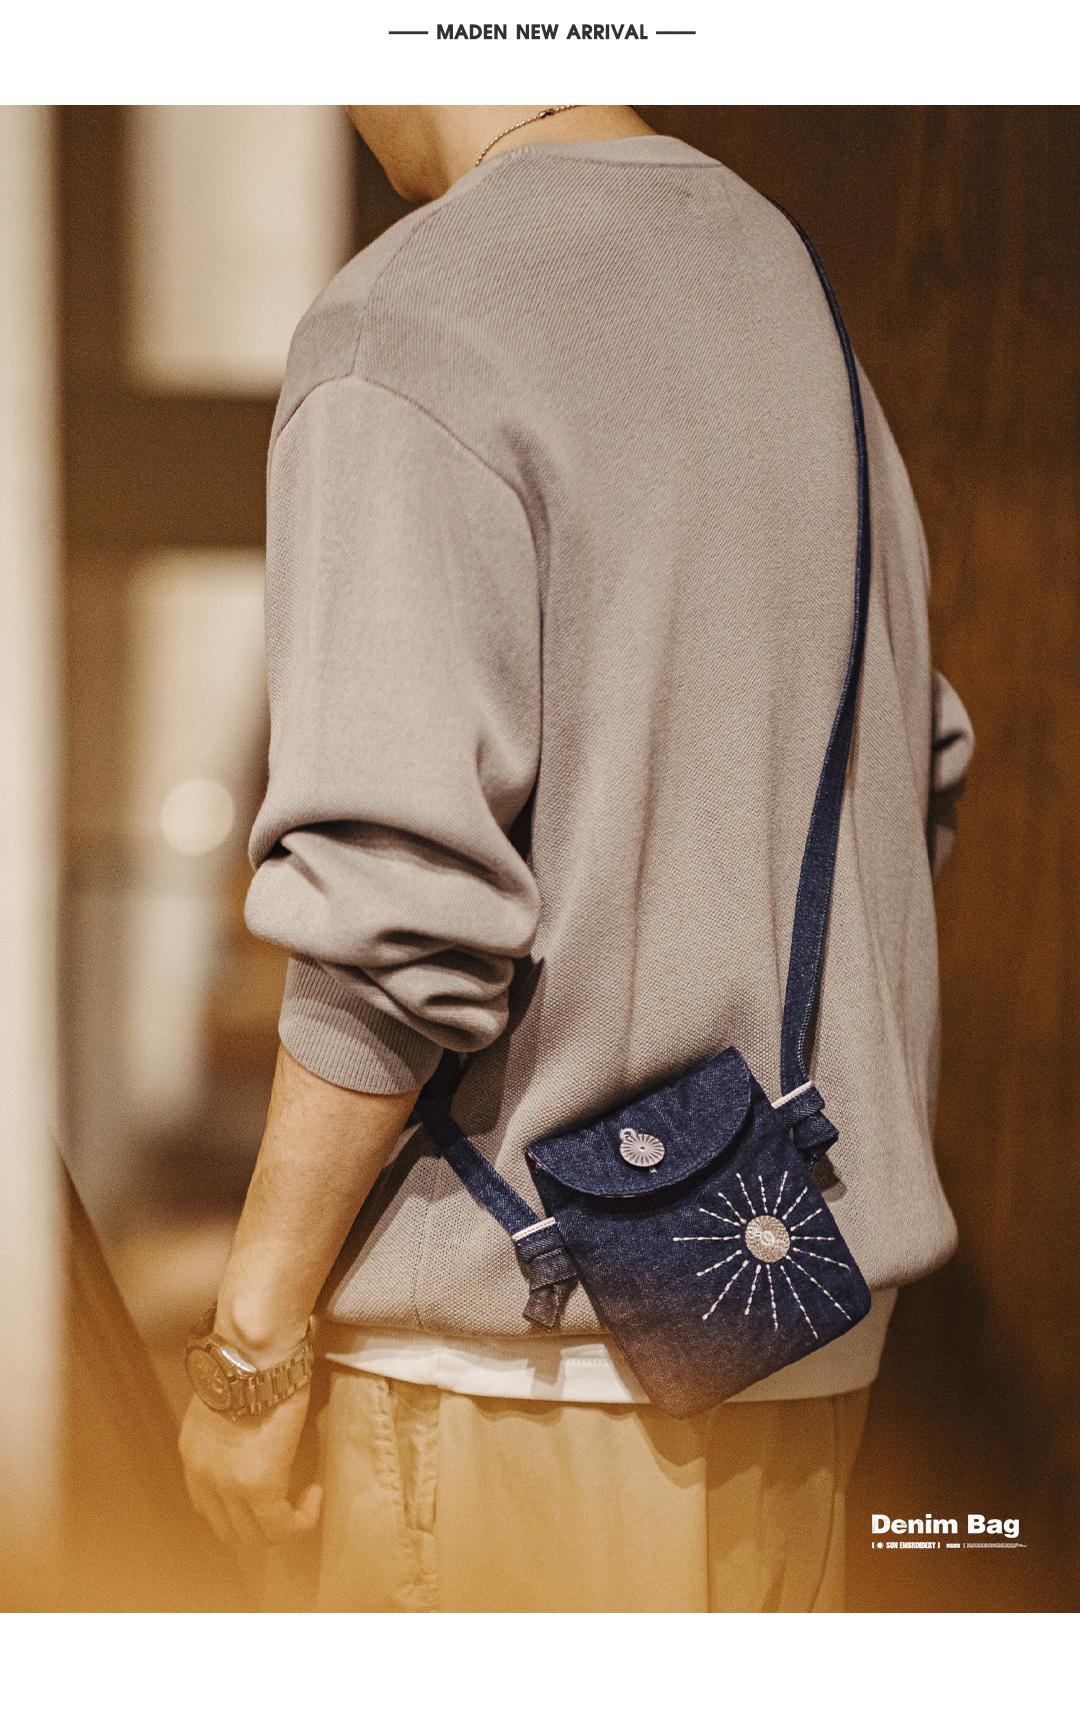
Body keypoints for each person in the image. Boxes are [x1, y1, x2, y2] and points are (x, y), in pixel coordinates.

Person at [179, 105, 974, 1612]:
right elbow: (922, 764)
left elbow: (395, 905)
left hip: (517, 1372)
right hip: (789, 1331)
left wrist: (248, 1351)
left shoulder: (407, 316)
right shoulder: (788, 286)